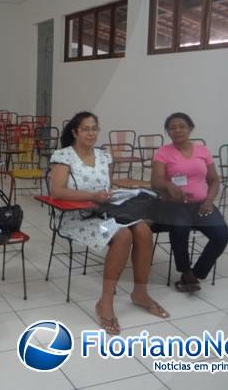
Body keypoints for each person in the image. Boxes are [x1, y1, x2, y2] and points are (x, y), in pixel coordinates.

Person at [49, 112, 168, 335]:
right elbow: (57, 191)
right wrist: (92, 196)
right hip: (78, 219)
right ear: (75, 132)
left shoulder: (104, 156)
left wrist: (133, 188)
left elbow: (107, 183)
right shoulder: (63, 156)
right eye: (85, 129)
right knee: (123, 235)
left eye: (94, 128)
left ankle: (140, 293)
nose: (91, 133)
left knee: (142, 229)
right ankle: (105, 302)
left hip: (106, 213)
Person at [151, 112, 228, 292]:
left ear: (190, 128)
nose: (177, 130)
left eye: (182, 126)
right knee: (179, 228)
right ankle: (185, 271)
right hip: (174, 204)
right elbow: (156, 181)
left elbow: (214, 180)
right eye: (172, 128)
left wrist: (209, 201)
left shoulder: (202, 150)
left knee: (221, 235)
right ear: (168, 132)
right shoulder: (163, 152)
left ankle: (197, 273)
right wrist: (169, 185)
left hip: (202, 204)